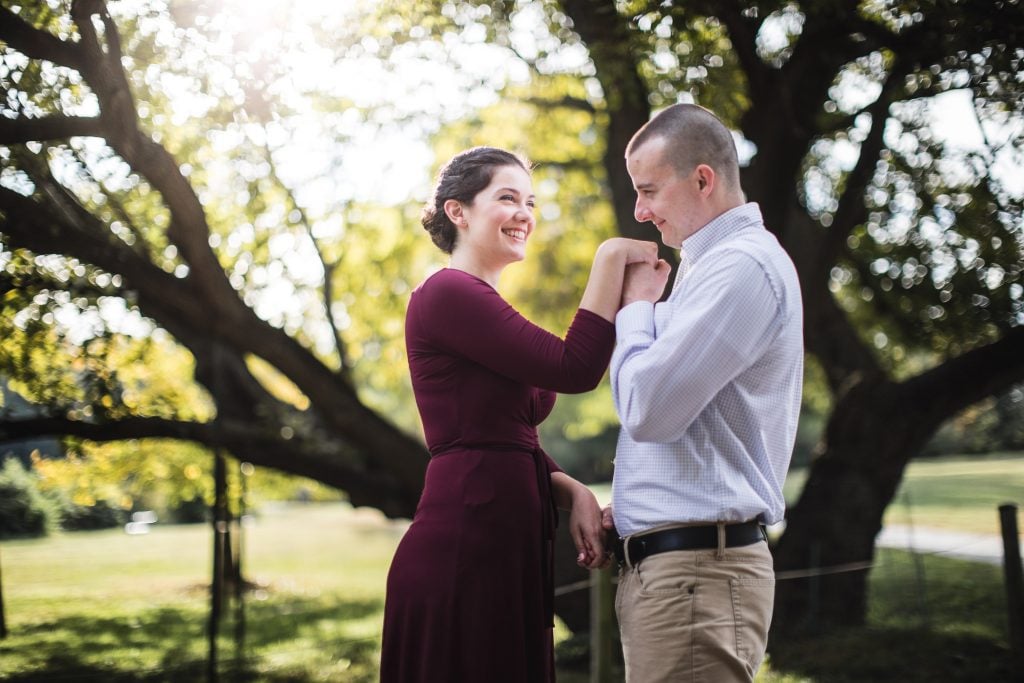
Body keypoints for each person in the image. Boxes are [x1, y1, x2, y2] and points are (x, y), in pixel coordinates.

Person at [380, 146, 659, 683]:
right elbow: (574, 368)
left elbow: (504, 434)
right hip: (464, 551)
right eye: (507, 198)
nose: (525, 214)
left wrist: (569, 488)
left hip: (505, 551)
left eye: (530, 201)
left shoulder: (485, 305)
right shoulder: (448, 293)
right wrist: (608, 260)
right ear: (458, 211)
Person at [604, 103, 804, 682]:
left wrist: (636, 310)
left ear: (702, 179)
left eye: (649, 191)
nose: (641, 212)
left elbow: (648, 408)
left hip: (698, 579)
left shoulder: (741, 268)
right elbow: (701, 429)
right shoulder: (707, 268)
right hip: (685, 574)